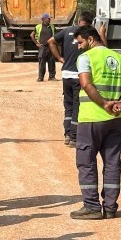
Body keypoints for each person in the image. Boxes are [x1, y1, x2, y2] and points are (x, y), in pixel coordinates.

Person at [69, 25, 121, 220]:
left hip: (92, 119)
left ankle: (92, 206)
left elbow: (86, 84)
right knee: (112, 162)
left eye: (80, 42)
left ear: (90, 39)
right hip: (117, 119)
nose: (78, 47)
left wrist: (105, 104)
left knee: (86, 162)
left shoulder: (86, 58)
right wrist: (119, 103)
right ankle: (111, 207)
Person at [49, 10, 94, 147]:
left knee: (68, 106)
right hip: (78, 76)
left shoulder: (67, 31)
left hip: (66, 74)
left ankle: (67, 134)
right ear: (90, 23)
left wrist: (59, 58)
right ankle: (74, 137)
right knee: (77, 106)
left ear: (79, 20)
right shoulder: (89, 34)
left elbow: (50, 41)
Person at [33, 13, 56, 81]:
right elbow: (32, 35)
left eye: (49, 18)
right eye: (48, 18)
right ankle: (41, 77)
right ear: (43, 19)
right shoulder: (38, 27)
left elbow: (56, 35)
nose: (49, 19)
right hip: (43, 47)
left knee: (51, 62)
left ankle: (51, 77)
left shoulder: (52, 26)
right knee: (42, 62)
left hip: (51, 47)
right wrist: (36, 43)